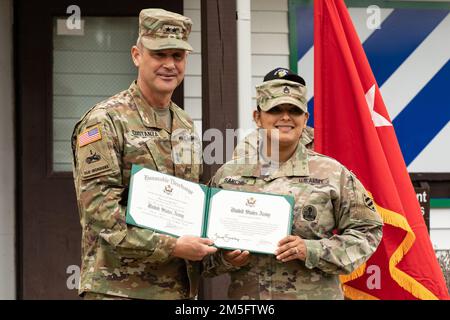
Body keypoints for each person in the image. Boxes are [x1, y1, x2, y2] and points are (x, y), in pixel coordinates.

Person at [71, 8, 216, 300]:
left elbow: (190, 202)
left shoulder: (185, 124)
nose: (169, 64)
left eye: (177, 56)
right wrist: (173, 246)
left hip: (177, 290)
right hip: (118, 288)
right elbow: (101, 213)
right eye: (159, 55)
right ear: (137, 55)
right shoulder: (105, 120)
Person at [203, 68, 383, 299]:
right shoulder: (228, 176)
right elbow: (200, 247)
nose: (285, 117)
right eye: (275, 109)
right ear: (257, 117)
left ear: (305, 119)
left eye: (294, 110)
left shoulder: (332, 174)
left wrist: (312, 250)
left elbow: (368, 231)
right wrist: (225, 259)